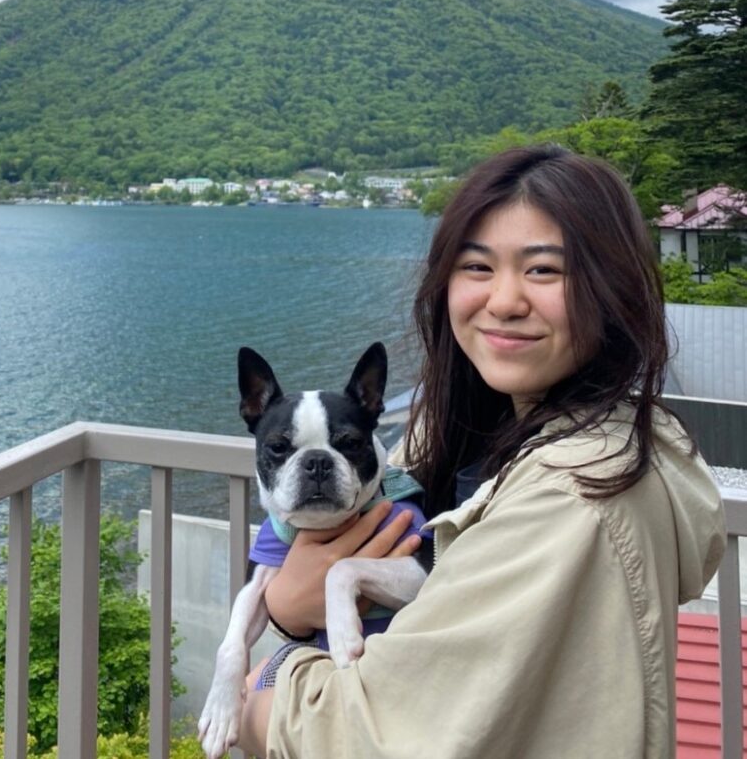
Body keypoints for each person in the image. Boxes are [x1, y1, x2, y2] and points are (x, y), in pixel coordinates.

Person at [237, 145, 726, 758]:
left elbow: (365, 738)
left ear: (612, 289)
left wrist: (271, 673)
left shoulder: (568, 500)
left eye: (544, 270)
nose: (504, 300)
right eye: (476, 267)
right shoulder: (509, 431)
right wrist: (288, 603)